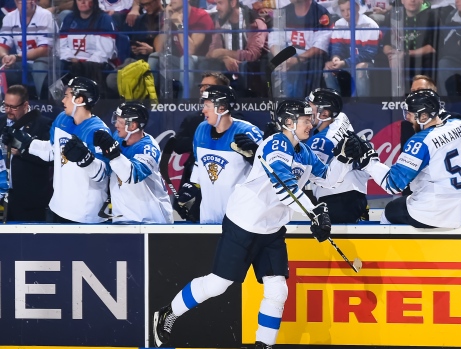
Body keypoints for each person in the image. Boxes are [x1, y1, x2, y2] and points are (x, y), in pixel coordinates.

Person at [152, 100, 358, 348]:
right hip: (243, 224)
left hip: (272, 230)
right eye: (305, 120)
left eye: (310, 119)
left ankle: (264, 346)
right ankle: (168, 312)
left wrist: (344, 158)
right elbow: (284, 186)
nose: (310, 124)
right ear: (289, 123)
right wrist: (314, 212)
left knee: (278, 290)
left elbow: (328, 178)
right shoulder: (275, 145)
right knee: (218, 284)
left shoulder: (304, 152)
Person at [353, 89, 461, 227]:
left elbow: (393, 185)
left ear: (424, 117)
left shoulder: (421, 141)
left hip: (436, 212)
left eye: (410, 114)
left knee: (389, 211)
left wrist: (369, 161)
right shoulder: (459, 124)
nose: (408, 118)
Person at [2, 77, 112, 223]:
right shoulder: (62, 120)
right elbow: (51, 152)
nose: (63, 101)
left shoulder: (98, 131)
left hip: (85, 213)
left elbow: (103, 175)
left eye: (66, 96)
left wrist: (86, 160)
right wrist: (27, 143)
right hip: (59, 208)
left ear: (79, 100)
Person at [173, 84, 263, 224]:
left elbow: (266, 173)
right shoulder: (201, 129)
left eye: (207, 105)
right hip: (207, 216)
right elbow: (199, 166)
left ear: (222, 107)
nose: (203, 110)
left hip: (240, 220)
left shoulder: (248, 132)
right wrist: (192, 189)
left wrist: (257, 157)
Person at [92, 102, 174, 224]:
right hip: (122, 219)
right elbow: (107, 168)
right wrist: (87, 159)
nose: (116, 124)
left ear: (133, 125)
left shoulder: (148, 147)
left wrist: (113, 153)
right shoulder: (118, 138)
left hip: (152, 221)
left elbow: (132, 175)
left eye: (120, 121)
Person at [305, 88, 370, 223]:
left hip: (337, 203)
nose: (306, 113)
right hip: (358, 196)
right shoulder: (341, 117)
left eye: (310, 109)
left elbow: (317, 177)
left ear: (324, 114)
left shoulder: (320, 142)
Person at [0, 85, 52, 222]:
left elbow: (51, 159)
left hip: (29, 200)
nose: (8, 111)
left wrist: (23, 152)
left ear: (25, 105)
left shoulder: (42, 125)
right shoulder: (1, 122)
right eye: (6, 105)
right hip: (3, 196)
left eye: (13, 107)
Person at [267, 0, 331, 98]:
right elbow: (274, 39)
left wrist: (297, 60)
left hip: (309, 58)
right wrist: (281, 59)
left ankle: (296, 106)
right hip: (286, 56)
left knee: (299, 69)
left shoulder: (321, 13)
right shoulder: (282, 12)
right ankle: (283, 104)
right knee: (275, 66)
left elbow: (321, 45)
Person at [206, 0, 269, 95]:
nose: (217, 8)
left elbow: (252, 55)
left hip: (253, 72)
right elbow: (212, 52)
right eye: (216, 4)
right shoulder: (220, 21)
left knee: (245, 67)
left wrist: (223, 52)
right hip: (230, 70)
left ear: (233, 3)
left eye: (220, 3)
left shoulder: (254, 22)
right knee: (207, 64)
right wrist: (225, 58)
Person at [0, 0, 56, 99]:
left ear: (34, 1)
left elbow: (45, 49)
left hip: (48, 61)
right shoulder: (9, 17)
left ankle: (42, 103)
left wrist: (17, 57)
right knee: (5, 66)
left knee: (39, 65)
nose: (23, 2)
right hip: (21, 62)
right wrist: (5, 56)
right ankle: (7, 102)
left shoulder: (45, 15)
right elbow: (2, 45)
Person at [323, 0, 380, 97]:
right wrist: (335, 58)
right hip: (346, 62)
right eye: (343, 10)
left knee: (360, 69)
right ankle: (336, 104)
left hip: (367, 63)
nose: (346, 14)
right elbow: (337, 46)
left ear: (357, 7)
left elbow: (368, 54)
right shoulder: (339, 24)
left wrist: (344, 62)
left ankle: (363, 105)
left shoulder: (370, 25)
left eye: (349, 9)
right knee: (327, 69)